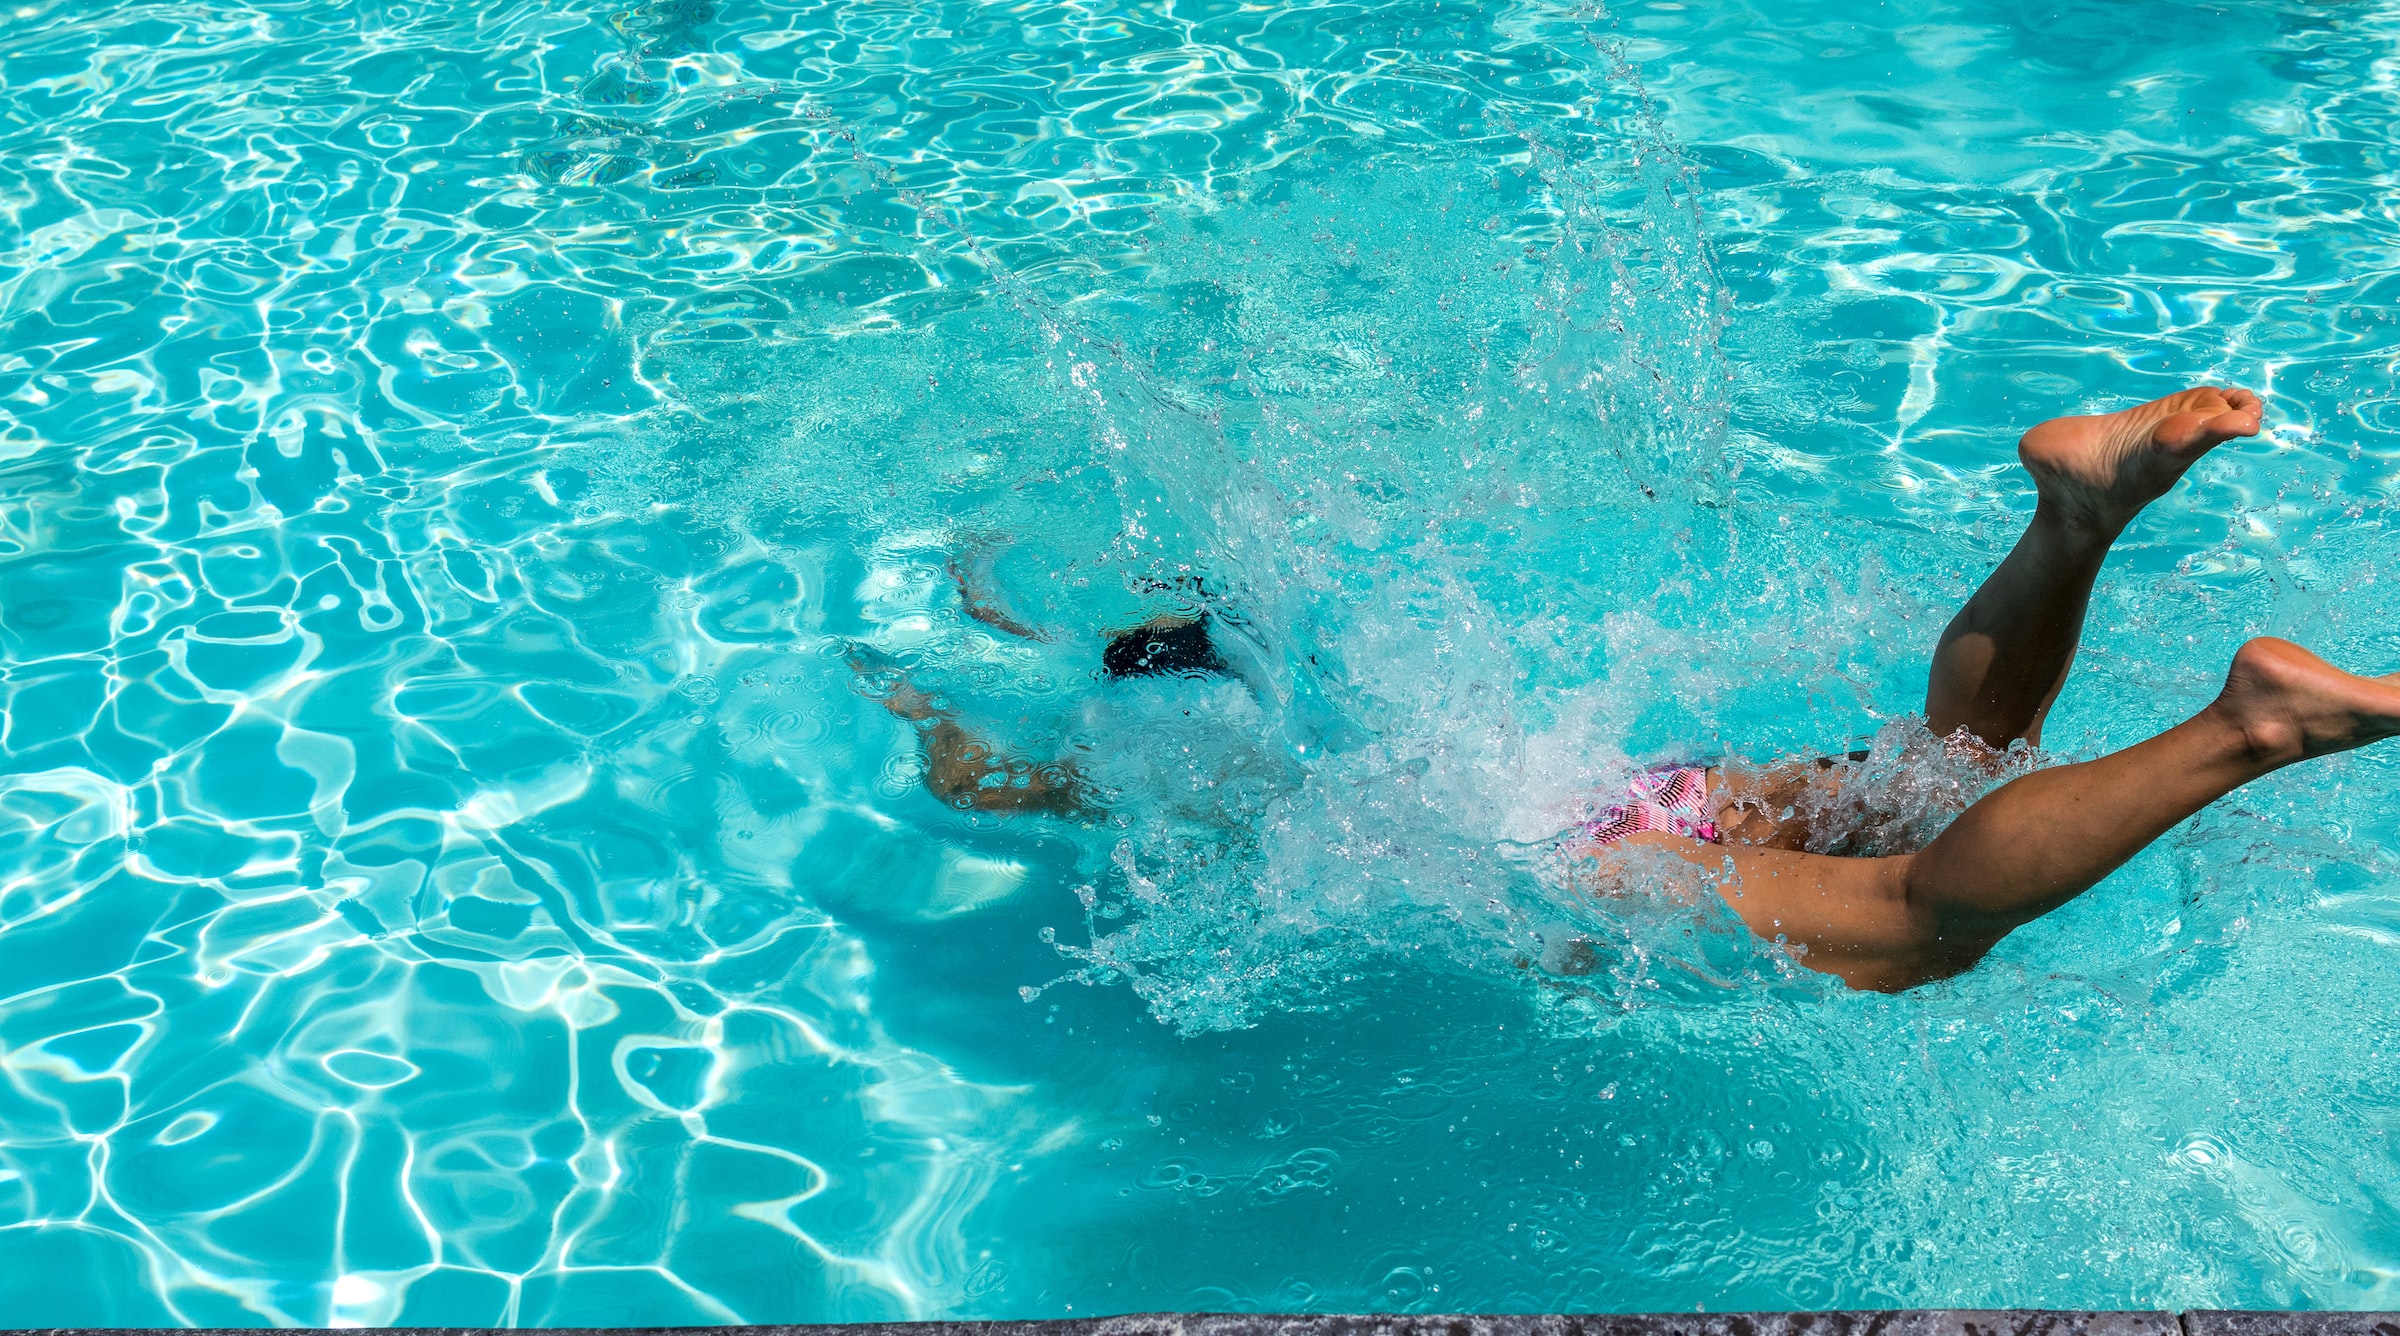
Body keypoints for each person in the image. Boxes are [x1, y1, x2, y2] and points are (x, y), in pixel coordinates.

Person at [863, 386, 2400, 992]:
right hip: (1622, 785)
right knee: (1943, 770)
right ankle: (2074, 510)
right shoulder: (1315, 664)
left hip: (1583, 866)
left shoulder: (1151, 759)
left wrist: (934, 720)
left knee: (1920, 920)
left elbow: (989, 789)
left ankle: (2247, 729)